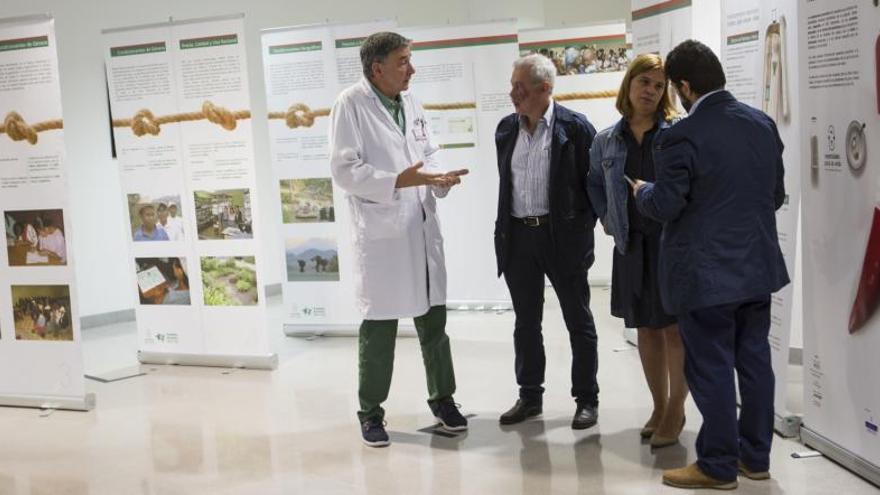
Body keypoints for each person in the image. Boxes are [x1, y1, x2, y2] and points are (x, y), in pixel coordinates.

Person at [632, 40, 789, 490]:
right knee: (755, 362)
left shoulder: (679, 136)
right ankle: (755, 459)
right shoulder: (761, 124)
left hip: (705, 276)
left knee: (712, 366)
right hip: (756, 268)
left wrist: (642, 191)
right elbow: (774, 196)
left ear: (683, 86)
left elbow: (666, 204)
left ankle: (718, 465)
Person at [329, 31, 470, 447]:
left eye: (410, 59)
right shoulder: (350, 104)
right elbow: (343, 170)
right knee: (379, 329)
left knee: (434, 324)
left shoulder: (410, 100)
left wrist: (438, 177)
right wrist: (397, 180)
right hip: (383, 235)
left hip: (420, 226)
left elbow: (430, 149)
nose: (412, 68)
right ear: (377, 68)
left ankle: (444, 400)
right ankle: (370, 413)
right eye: (404, 61)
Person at [494, 53, 600, 430]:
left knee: (578, 320)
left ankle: (586, 398)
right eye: (511, 86)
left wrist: (581, 229)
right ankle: (530, 396)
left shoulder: (576, 129)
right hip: (519, 236)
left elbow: (593, 188)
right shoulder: (506, 130)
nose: (512, 94)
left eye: (519, 88)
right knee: (526, 323)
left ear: (545, 89)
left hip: (562, 238)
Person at [587, 53, 687, 448]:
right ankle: (659, 406)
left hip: (672, 245)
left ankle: (677, 407)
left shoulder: (676, 133)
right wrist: (610, 221)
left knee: (676, 330)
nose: (651, 90)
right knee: (646, 329)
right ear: (629, 84)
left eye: (659, 85)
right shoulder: (606, 140)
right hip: (632, 245)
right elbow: (595, 183)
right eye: (644, 81)